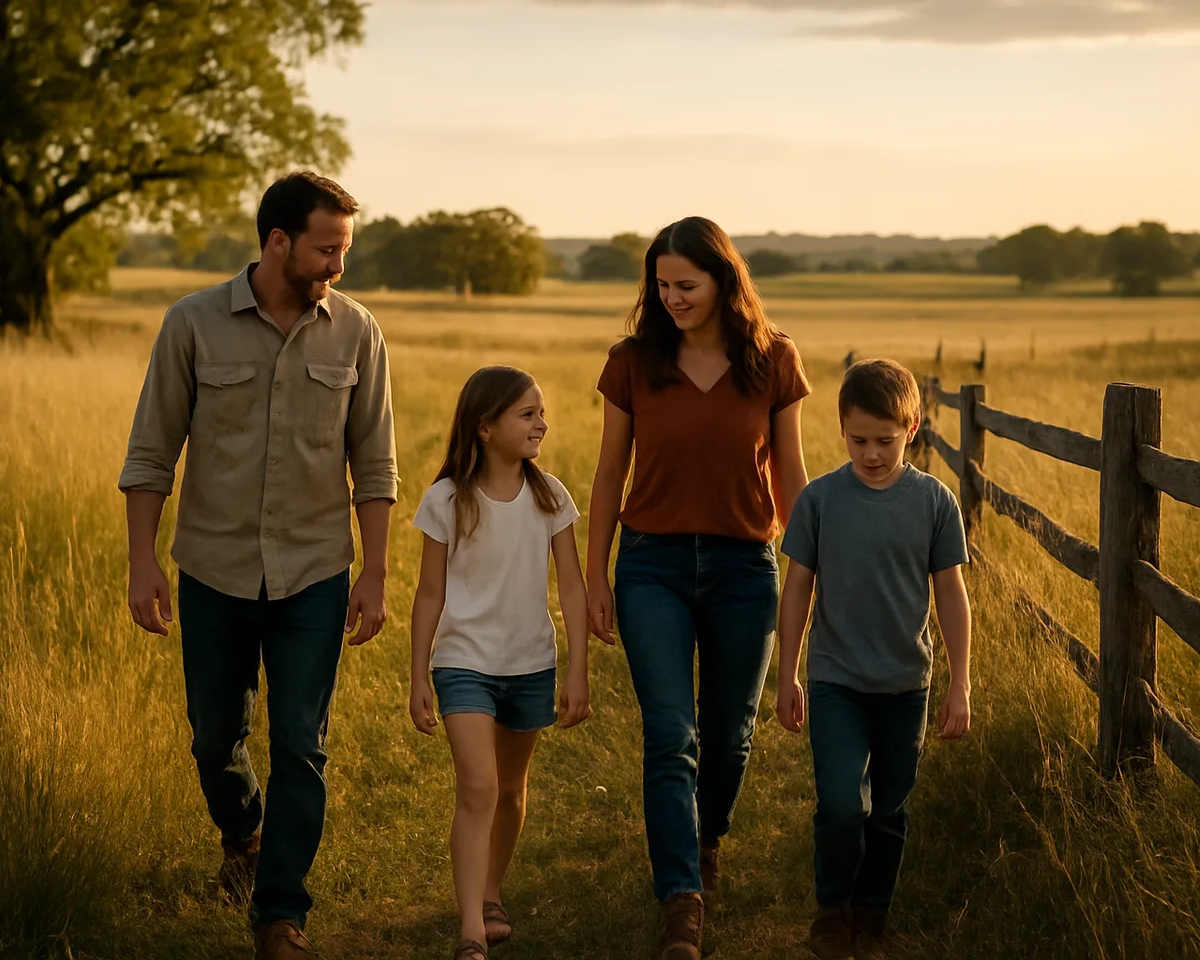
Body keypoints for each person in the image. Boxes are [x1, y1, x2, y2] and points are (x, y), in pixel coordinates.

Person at [119, 171, 397, 960]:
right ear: (279, 242)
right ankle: (242, 836)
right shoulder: (193, 324)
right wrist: (143, 564)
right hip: (215, 569)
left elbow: (375, 465)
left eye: (344, 249)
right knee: (214, 739)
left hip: (315, 572)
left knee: (302, 745)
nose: (339, 265)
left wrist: (376, 573)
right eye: (327, 249)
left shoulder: (358, 332)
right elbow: (151, 455)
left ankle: (281, 916)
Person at [586, 217, 810, 960]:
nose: (672, 298)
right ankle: (681, 898)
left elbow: (790, 475)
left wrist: (811, 570)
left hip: (746, 568)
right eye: (662, 286)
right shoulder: (632, 362)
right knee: (669, 733)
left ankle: (706, 835)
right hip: (650, 565)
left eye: (687, 285)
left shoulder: (773, 360)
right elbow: (609, 473)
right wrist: (595, 575)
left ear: (723, 281)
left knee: (730, 734)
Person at [774, 358, 973, 960]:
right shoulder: (820, 500)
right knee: (841, 804)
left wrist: (960, 684)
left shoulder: (934, 502)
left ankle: (872, 912)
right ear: (841, 429)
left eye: (885, 441)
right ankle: (833, 908)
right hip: (835, 680)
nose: (871, 454)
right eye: (858, 440)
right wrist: (788, 675)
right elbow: (798, 589)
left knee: (888, 809)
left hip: (905, 685)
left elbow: (951, 595)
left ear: (912, 428)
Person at [408, 366, 595, 960]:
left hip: (530, 663)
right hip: (463, 662)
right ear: (485, 427)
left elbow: (572, 586)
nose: (542, 424)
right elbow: (429, 594)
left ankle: (491, 894)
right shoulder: (446, 500)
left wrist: (578, 669)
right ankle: (470, 931)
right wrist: (418, 676)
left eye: (542, 413)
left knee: (511, 790)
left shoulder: (551, 496)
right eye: (527, 414)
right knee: (479, 787)